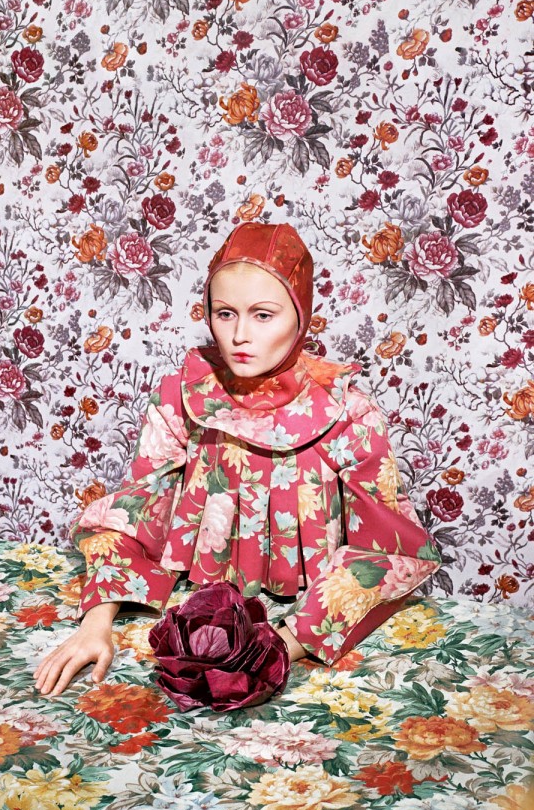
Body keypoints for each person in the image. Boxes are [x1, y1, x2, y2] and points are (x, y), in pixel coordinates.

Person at [34, 222, 440, 698]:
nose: (240, 335)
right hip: (185, 612)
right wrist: (95, 625)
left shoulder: (348, 412)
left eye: (263, 315)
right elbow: (134, 513)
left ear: (301, 315)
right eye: (225, 313)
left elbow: (391, 550)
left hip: (314, 623)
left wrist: (281, 646)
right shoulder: (183, 396)